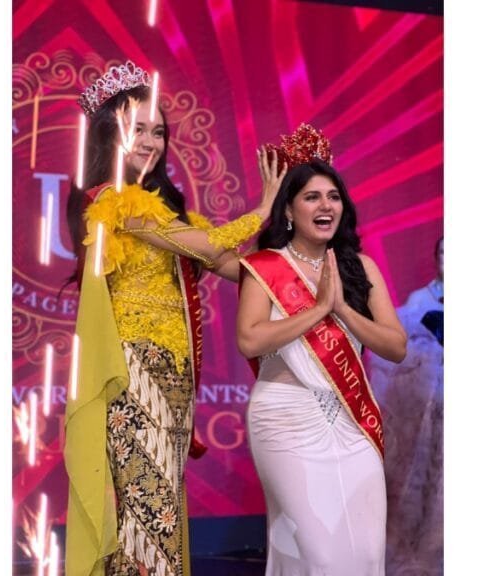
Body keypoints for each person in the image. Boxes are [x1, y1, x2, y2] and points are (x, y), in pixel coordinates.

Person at [63, 60, 286, 576]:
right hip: (134, 368)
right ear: (110, 135)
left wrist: (297, 261)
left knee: (162, 501)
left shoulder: (168, 214)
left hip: (176, 374)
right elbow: (206, 246)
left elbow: (233, 266)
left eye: (158, 132)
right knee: (146, 505)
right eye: (137, 129)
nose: (151, 141)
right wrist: (263, 209)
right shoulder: (113, 202)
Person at [236, 123, 408, 575]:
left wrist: (343, 310)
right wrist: (316, 312)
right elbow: (249, 339)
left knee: (364, 552)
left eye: (333, 196)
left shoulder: (360, 267)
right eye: (312, 197)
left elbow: (395, 346)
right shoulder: (264, 267)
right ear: (289, 210)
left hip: (350, 420)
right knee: (317, 555)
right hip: (285, 418)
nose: (325, 205)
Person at [367, 236, 443, 576]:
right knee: (420, 485)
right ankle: (414, 553)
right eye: (443, 252)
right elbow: (395, 354)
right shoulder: (418, 302)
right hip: (424, 410)